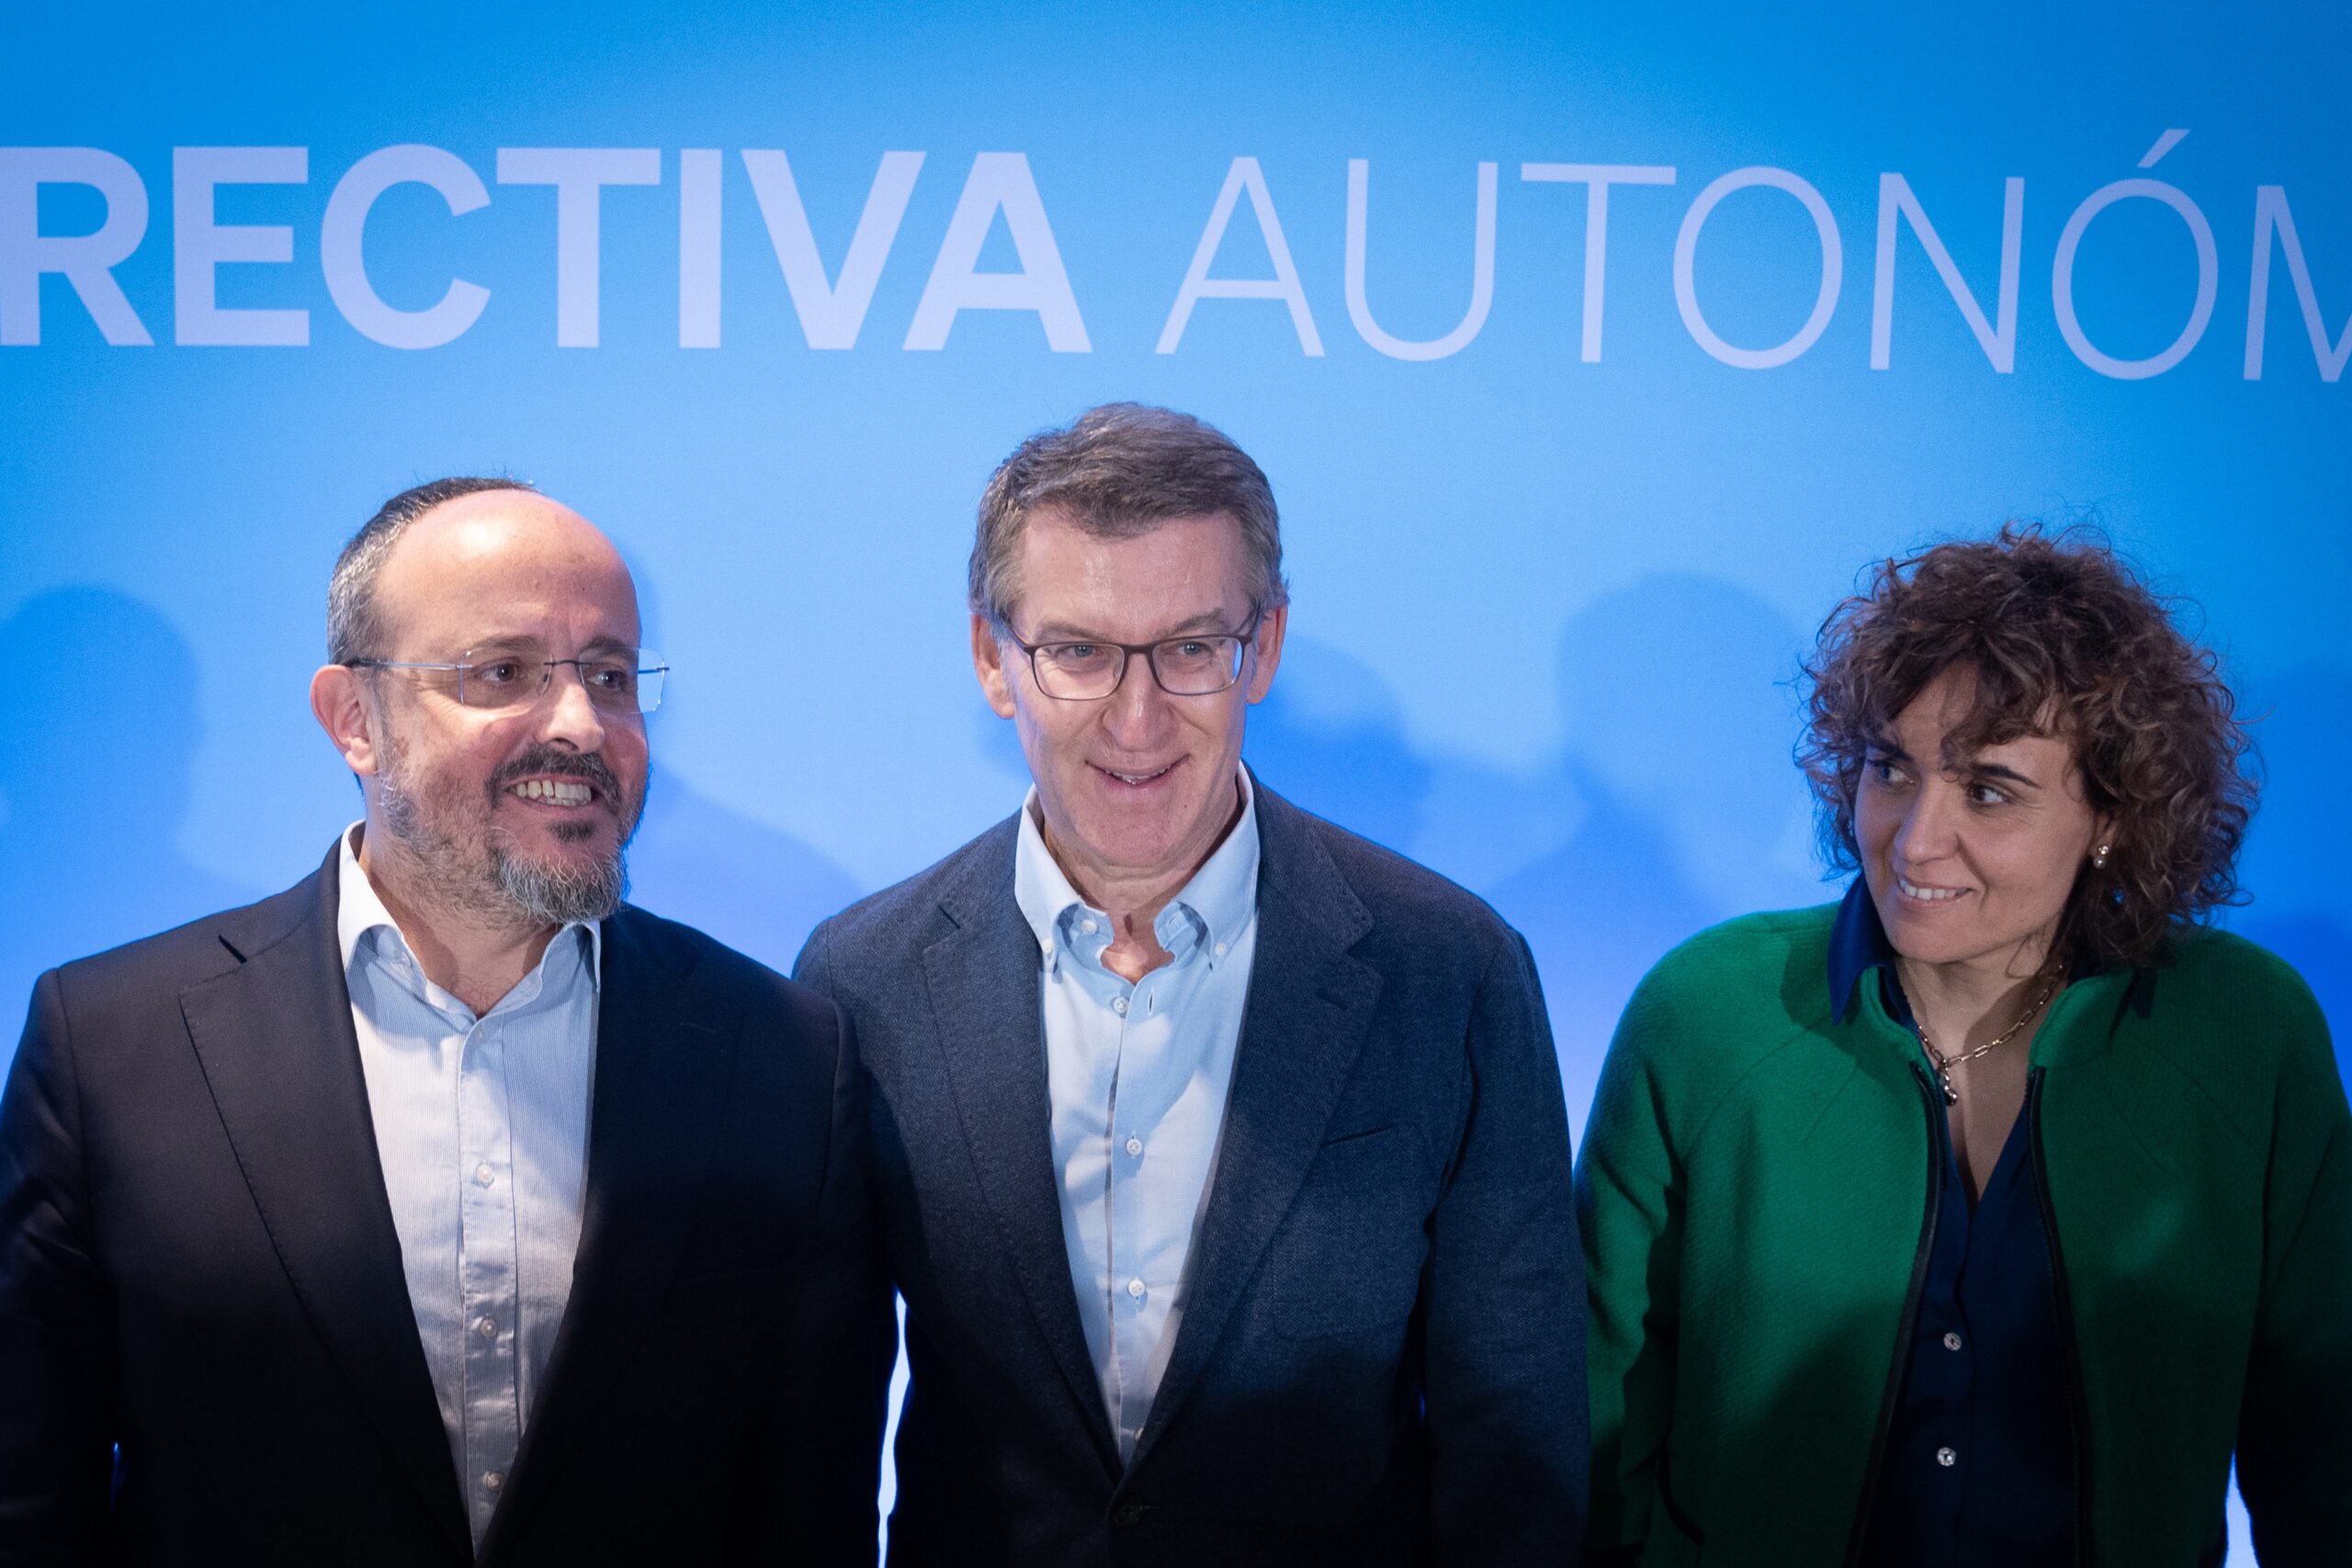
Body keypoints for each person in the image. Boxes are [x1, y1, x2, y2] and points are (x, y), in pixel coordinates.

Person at [0, 478, 894, 1565]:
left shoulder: (784, 1056)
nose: (580, 724)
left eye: (610, 675)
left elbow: (814, 1522)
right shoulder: (111, 1046)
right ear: (354, 719)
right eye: (502, 672)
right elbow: (28, 1504)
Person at [795, 403, 1586, 1564]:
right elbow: (813, 1431)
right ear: (993, 660)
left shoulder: (1451, 969)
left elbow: (1515, 1440)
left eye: (1189, 648)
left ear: (1261, 648)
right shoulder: (860, 980)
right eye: (1077, 651)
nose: (1137, 719)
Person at [1578, 525, 2352, 1567]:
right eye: (1890, 769)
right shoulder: (1709, 1012)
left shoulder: (2244, 1032)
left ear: (2112, 815)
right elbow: (1592, 1417)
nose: (1914, 839)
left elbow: (2322, 1443)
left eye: (1988, 790)